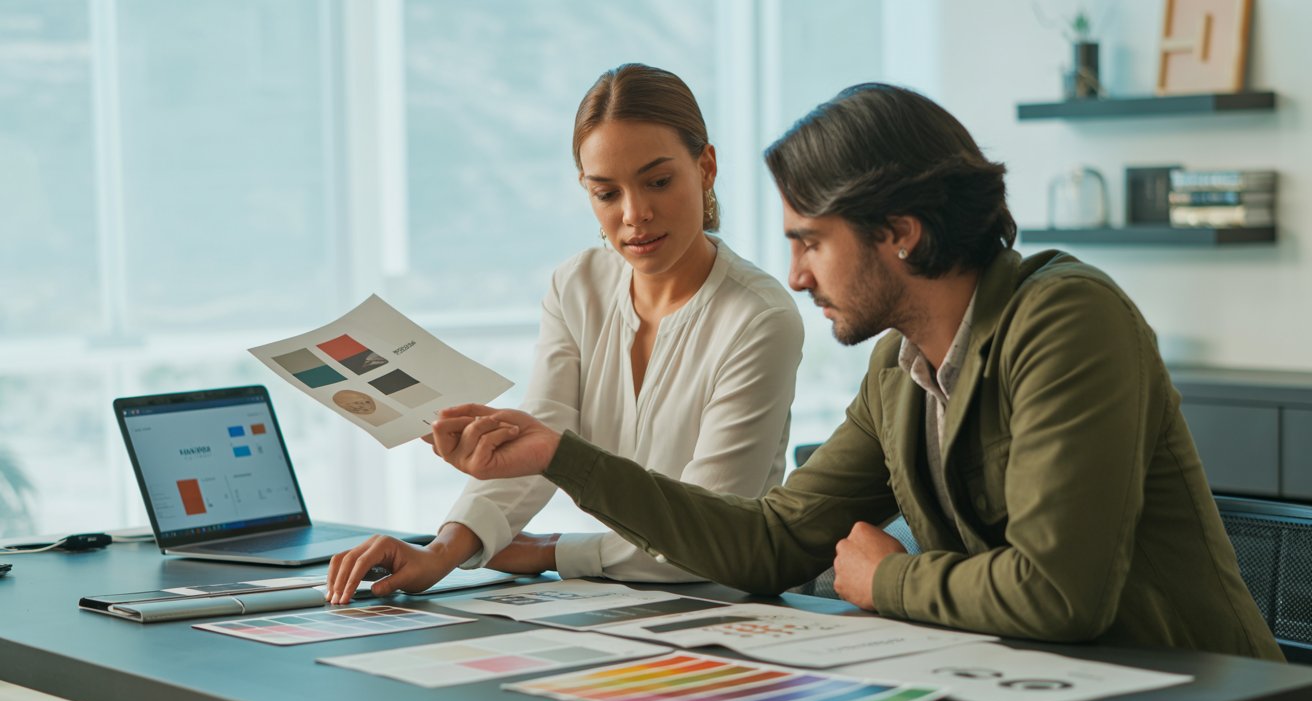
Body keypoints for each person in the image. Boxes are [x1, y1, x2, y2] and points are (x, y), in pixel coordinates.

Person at [420, 83, 1283, 661]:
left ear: (897, 232)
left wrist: (887, 577)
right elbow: (765, 545)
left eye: (809, 241)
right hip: (1052, 697)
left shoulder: (1065, 319)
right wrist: (559, 456)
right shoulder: (898, 369)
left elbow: (1060, 593)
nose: (795, 275)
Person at [325, 64, 803, 603]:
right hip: (609, 601)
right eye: (606, 193)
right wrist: (443, 552)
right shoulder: (578, 284)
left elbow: (709, 532)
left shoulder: (760, 318)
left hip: (724, 605)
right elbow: (539, 440)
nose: (635, 214)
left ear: (706, 166)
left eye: (659, 181)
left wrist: (553, 551)